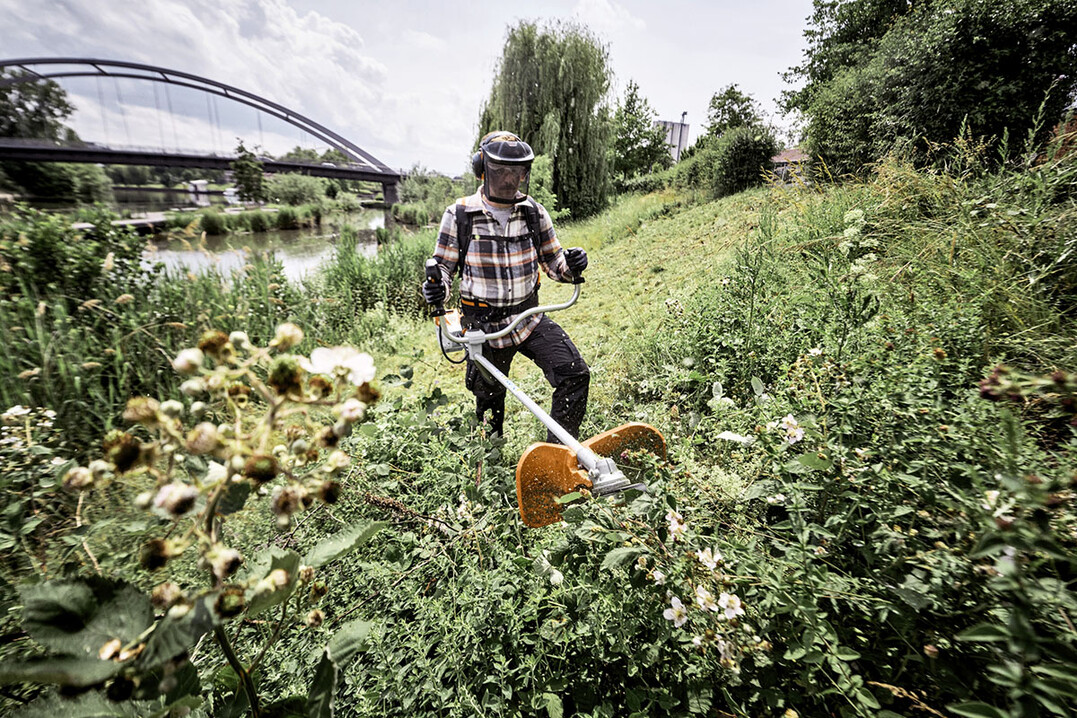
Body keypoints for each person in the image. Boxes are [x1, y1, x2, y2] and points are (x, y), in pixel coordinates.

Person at [421, 130, 591, 442]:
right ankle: (492, 457)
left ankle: (558, 453)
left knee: (574, 373)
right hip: (483, 328)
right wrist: (436, 289)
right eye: (500, 171)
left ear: (525, 173)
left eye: (516, 172)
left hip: (529, 319)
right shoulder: (460, 215)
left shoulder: (533, 212)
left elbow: (555, 263)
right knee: (489, 401)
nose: (509, 180)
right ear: (482, 169)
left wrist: (573, 265)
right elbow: (443, 269)